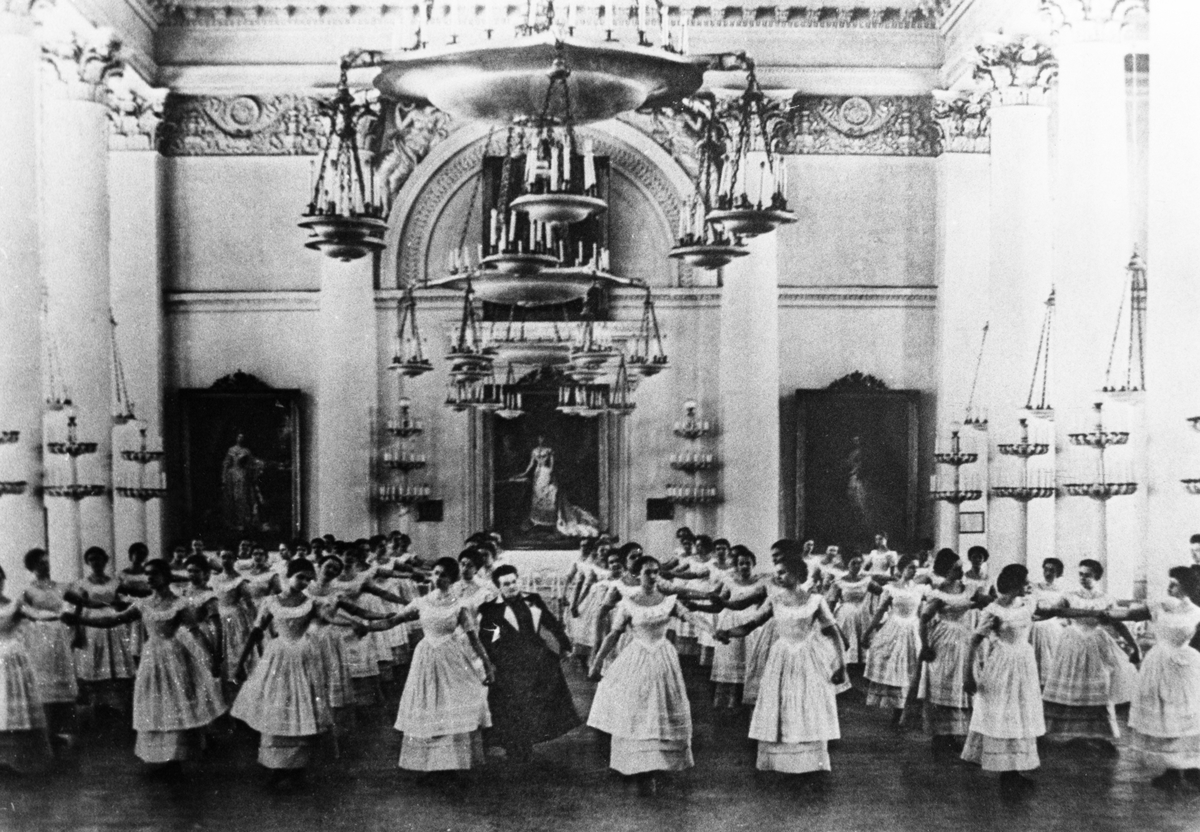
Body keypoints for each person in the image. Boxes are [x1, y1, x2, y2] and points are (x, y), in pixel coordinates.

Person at [233, 558, 397, 789]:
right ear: (288, 575)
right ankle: (276, 768)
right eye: (300, 576)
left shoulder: (310, 603)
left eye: (308, 578)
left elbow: (330, 617)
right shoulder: (270, 602)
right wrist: (240, 663)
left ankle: (296, 769)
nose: (304, 582)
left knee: (302, 707)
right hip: (278, 657)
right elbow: (256, 631)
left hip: (303, 658)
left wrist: (353, 622)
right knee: (277, 707)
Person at [64, 559, 226, 773]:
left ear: (166, 577)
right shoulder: (143, 604)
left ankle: (175, 756)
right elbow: (115, 620)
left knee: (174, 700)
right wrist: (81, 622)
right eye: (147, 574)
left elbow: (195, 631)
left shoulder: (180, 603)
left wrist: (213, 657)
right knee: (155, 701)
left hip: (176, 655)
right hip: (152, 656)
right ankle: (159, 756)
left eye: (154, 574)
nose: (149, 578)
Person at [587, 555, 714, 796]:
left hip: (664, 657)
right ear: (637, 575)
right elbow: (613, 635)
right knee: (638, 708)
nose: (653, 576)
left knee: (662, 708)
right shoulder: (628, 603)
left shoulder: (668, 601)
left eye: (656, 571)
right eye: (648, 572)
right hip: (637, 657)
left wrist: (713, 631)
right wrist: (597, 662)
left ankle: (658, 766)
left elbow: (691, 617)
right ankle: (638, 766)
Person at [717, 554, 845, 784]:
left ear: (798, 574)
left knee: (807, 704)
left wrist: (841, 666)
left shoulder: (816, 600)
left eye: (783, 571)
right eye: (777, 572)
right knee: (783, 704)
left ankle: (809, 763)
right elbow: (751, 624)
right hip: (782, 656)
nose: (778, 576)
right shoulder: (774, 600)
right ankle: (782, 762)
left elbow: (833, 633)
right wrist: (728, 632)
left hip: (808, 657)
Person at [392, 557, 494, 785]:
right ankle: (429, 766)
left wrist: (487, 666)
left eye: (444, 575)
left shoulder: (459, 605)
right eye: (436, 573)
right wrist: (366, 625)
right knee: (428, 704)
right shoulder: (422, 601)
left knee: (451, 704)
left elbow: (474, 640)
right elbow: (394, 620)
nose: (438, 578)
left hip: (452, 657)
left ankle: (449, 766)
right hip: (426, 657)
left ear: (452, 578)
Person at [1107, 566, 1200, 791]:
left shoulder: (1197, 611)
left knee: (1186, 715)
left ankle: (1191, 766)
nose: (1169, 587)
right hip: (1159, 665)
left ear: (1186, 587)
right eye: (1169, 582)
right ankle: (1171, 769)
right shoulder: (1159, 606)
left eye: (1175, 583)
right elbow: (1127, 614)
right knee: (1165, 715)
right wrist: (1105, 612)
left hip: (1187, 666)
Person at [477, 564, 580, 763]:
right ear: (498, 587)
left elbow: (551, 623)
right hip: (509, 663)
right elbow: (490, 640)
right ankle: (515, 745)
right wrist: (495, 662)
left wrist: (565, 645)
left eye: (514, 582)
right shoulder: (491, 609)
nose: (512, 587)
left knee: (536, 703)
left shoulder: (533, 600)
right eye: (506, 584)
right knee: (513, 705)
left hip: (537, 659)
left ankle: (527, 743)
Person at [961, 564, 1045, 796]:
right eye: (1024, 582)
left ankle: (1016, 769)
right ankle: (1006, 771)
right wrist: (968, 675)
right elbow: (974, 642)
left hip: (1024, 664)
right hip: (1001, 665)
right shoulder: (993, 610)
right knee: (1003, 712)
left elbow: (1051, 611)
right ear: (1014, 584)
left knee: (1020, 714)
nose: (1028, 586)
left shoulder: (1027, 604)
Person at [1041, 559, 1129, 748]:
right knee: (1073, 685)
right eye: (1080, 574)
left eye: (1087, 574)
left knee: (1097, 687)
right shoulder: (1069, 595)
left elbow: (1118, 623)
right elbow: (1052, 612)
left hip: (1096, 642)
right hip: (1072, 641)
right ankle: (1071, 732)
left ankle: (1096, 734)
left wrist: (1133, 645)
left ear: (1096, 576)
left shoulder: (1106, 598)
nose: (1082, 578)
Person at [65, 546, 141, 716]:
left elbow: (124, 601)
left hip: (113, 623)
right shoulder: (81, 584)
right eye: (92, 559)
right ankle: (96, 705)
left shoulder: (115, 582)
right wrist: (77, 631)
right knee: (95, 661)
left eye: (99, 559)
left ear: (105, 560)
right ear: (87, 562)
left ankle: (115, 705)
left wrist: (119, 605)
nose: (96, 562)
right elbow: (77, 608)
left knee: (115, 663)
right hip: (90, 623)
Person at [20, 548, 79, 747]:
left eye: (47, 561)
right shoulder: (28, 591)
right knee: (43, 680)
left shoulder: (60, 587)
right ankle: (45, 731)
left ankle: (60, 730)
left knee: (61, 678)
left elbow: (83, 601)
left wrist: (77, 619)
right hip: (39, 637)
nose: (45, 565)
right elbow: (20, 613)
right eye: (40, 563)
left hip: (58, 635)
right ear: (32, 567)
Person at [918, 549, 975, 754]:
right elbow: (924, 619)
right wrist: (925, 645)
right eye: (956, 569)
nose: (961, 572)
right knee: (942, 681)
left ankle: (954, 733)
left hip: (963, 638)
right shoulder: (938, 592)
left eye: (961, 568)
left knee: (959, 682)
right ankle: (940, 735)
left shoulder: (968, 588)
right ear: (945, 571)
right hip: (943, 638)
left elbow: (986, 601)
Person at [0, 564, 53, 774]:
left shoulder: (15, 604)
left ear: (4, 580)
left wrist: (58, 615)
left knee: (11, 705)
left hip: (12, 656)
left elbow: (38, 615)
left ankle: (14, 758)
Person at [862, 554, 926, 725]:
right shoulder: (890, 588)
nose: (914, 571)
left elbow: (923, 614)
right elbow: (880, 611)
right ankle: (897, 711)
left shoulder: (920, 589)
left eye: (916, 568)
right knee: (897, 668)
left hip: (913, 628)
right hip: (894, 628)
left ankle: (908, 711)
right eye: (911, 567)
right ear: (901, 569)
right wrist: (867, 632)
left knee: (913, 670)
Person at [506, 435, 600, 537]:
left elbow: (551, 466)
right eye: (539, 438)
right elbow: (530, 466)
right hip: (537, 474)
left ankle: (551, 522)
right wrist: (521, 474)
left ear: (545, 439)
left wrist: (549, 476)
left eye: (543, 438)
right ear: (537, 439)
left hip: (546, 474)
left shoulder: (549, 450)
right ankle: (538, 522)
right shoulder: (534, 451)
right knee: (537, 498)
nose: (541, 440)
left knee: (550, 497)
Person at [710, 546, 767, 710]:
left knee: (750, 660)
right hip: (731, 622)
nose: (744, 567)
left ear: (753, 564)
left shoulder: (761, 583)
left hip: (751, 624)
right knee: (732, 659)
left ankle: (748, 699)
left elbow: (763, 606)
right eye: (741, 564)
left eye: (748, 563)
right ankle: (730, 700)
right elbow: (720, 604)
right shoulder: (729, 581)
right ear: (736, 565)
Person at [828, 551, 873, 672]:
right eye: (854, 563)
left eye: (859, 563)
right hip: (845, 615)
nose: (857, 566)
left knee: (863, 644)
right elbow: (830, 606)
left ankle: (861, 667)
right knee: (847, 643)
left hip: (863, 614)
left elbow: (881, 590)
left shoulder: (865, 580)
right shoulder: (839, 582)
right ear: (847, 564)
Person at [1030, 557, 1069, 685]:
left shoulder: (1062, 591)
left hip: (1052, 627)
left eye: (1052, 570)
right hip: (1035, 626)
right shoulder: (1035, 587)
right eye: (1046, 569)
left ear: (1058, 573)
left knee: (1050, 659)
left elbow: (1061, 612)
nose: (1048, 573)